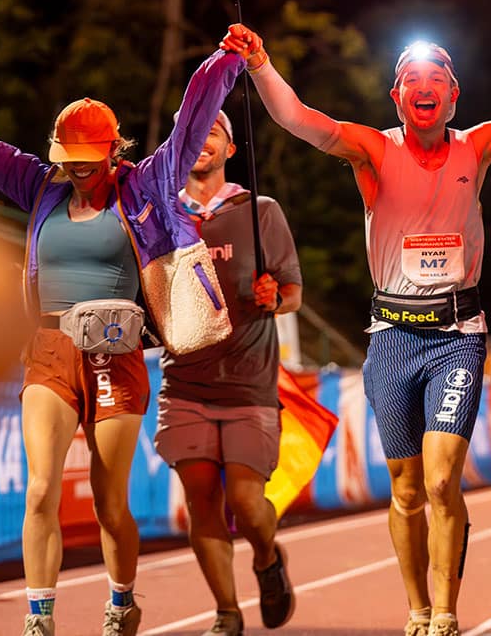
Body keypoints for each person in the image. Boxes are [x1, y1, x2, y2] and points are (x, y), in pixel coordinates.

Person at [219, 0, 491, 636]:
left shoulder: (478, 147)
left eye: (437, 80)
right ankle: (418, 609)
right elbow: (299, 120)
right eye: (412, 80)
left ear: (453, 97)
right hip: (392, 338)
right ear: (397, 96)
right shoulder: (371, 150)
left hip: (456, 337)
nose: (424, 89)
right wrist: (259, 63)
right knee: (405, 490)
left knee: (442, 478)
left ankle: (447, 612)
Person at [0, 13, 244, 636]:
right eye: (69, 159)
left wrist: (225, 60)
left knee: (111, 505)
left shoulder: (145, 187)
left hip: (117, 351)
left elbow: (190, 124)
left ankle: (120, 602)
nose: (78, 170)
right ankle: (41, 619)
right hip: (51, 349)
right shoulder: (42, 187)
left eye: (89, 160)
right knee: (39, 491)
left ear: (114, 151)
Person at [153, 110, 303, 636]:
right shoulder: (162, 213)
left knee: (244, 500)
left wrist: (273, 296)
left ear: (230, 148)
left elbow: (292, 294)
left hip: (248, 382)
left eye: (212, 132)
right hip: (184, 383)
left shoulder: (259, 210)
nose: (202, 141)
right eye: (193, 133)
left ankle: (266, 558)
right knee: (201, 499)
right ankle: (226, 611)